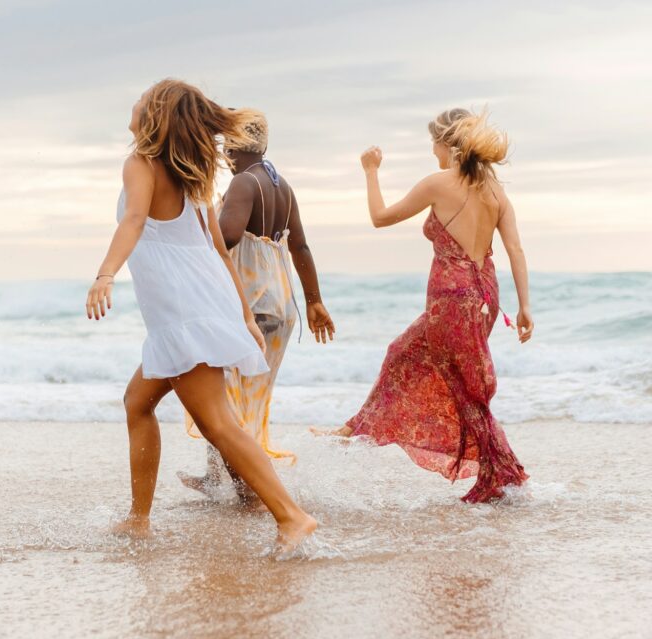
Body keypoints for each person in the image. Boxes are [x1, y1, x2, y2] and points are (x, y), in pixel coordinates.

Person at [85, 79, 318, 552]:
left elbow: (133, 221)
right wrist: (243, 318)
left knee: (216, 421)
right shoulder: (192, 177)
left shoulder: (140, 164)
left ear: (154, 116)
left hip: (184, 310)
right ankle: (138, 519)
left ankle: (292, 517)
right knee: (138, 402)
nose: (133, 101)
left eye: (142, 98)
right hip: (197, 305)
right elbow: (219, 252)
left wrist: (105, 274)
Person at [317, 108, 532, 503]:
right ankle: (355, 429)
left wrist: (370, 171)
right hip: (483, 296)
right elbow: (515, 249)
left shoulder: (439, 183)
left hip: (452, 300)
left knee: (464, 388)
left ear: (446, 143)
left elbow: (380, 218)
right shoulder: (496, 192)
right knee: (405, 353)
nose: (432, 151)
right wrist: (524, 307)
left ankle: (504, 474)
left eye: (433, 142)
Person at [177, 112, 334, 503]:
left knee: (221, 397)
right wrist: (314, 301)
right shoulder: (282, 186)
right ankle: (220, 476)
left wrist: (192, 229)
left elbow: (227, 236)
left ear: (233, 145)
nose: (220, 153)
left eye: (222, 145)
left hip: (250, 303)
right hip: (280, 304)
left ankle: (249, 487)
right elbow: (300, 246)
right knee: (245, 397)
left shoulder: (244, 183)